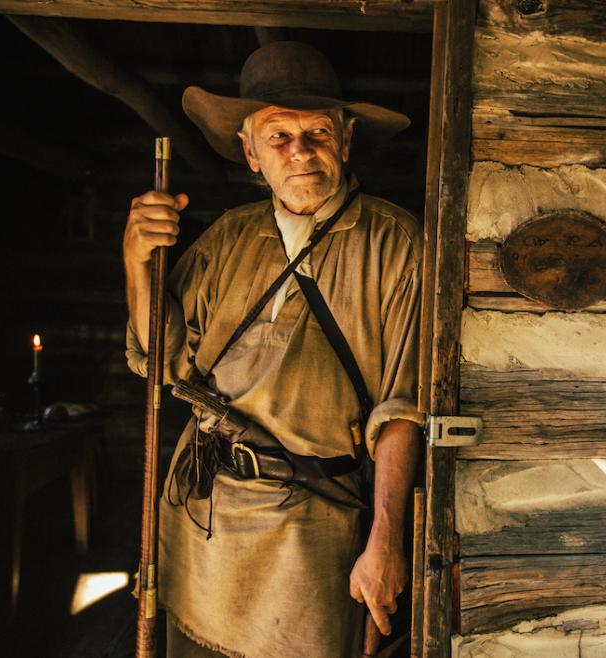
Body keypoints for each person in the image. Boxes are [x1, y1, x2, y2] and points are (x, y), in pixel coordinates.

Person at [123, 41, 423, 658]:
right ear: (249, 153)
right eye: (278, 135)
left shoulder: (396, 245)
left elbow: (401, 407)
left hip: (309, 529)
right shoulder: (230, 237)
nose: (300, 151)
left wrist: (387, 541)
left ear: (346, 138)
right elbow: (162, 364)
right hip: (199, 510)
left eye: (316, 131)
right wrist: (136, 263)